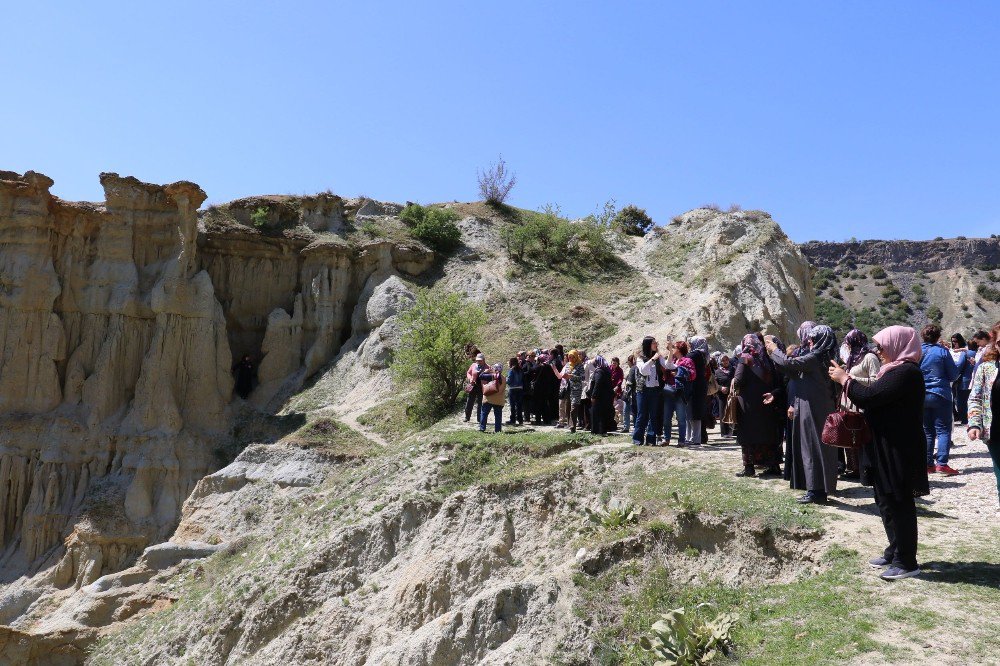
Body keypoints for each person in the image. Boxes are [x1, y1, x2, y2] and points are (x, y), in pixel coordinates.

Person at [829, 325, 928, 580]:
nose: (878, 351)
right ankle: (895, 550)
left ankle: (907, 561)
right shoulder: (893, 370)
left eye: (882, 346)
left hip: (898, 446)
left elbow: (870, 396)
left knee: (899, 501)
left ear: (897, 345)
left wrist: (844, 379)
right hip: (884, 443)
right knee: (885, 499)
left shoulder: (906, 372)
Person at [767, 325, 840, 504]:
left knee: (813, 446)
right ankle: (816, 488)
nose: (809, 341)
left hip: (813, 407)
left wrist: (775, 350)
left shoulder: (816, 357)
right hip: (816, 405)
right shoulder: (826, 356)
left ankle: (816, 491)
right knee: (817, 447)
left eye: (813, 339)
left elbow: (789, 364)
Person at [733, 334, 784, 477]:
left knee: (747, 435)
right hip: (767, 401)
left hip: (748, 404)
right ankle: (773, 465)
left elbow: (738, 379)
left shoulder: (745, 357)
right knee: (767, 433)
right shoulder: (765, 358)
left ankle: (749, 467)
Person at [919, 324, 960, 476]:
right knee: (943, 430)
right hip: (941, 393)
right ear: (938, 336)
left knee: (927, 431)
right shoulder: (943, 352)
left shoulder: (917, 352)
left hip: (922, 394)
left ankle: (927, 464)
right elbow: (953, 375)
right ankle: (942, 464)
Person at [967, 322, 1000, 510]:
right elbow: (976, 398)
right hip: (996, 433)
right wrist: (974, 424)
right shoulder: (986, 369)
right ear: (995, 343)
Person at [840, 328, 881, 479]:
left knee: (860, 439)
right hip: (848, 405)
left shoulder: (870, 357)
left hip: (861, 404)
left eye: (849, 343)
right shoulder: (852, 358)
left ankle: (864, 470)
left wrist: (851, 379)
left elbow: (876, 381)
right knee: (849, 438)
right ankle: (853, 469)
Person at [633, 336, 673, 447]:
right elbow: (644, 371)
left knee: (653, 415)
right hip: (643, 390)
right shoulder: (641, 358)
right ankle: (637, 439)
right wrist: (653, 359)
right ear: (648, 344)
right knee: (641, 415)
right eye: (654, 343)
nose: (656, 344)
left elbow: (668, 365)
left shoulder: (658, 357)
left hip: (654, 390)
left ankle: (651, 439)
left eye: (656, 342)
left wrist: (670, 351)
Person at [664, 341, 692, 446]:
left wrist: (678, 373)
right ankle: (666, 439)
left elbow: (692, 375)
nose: (673, 348)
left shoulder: (687, 361)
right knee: (666, 418)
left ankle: (681, 441)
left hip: (680, 393)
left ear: (679, 349)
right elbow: (666, 367)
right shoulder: (672, 359)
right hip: (668, 391)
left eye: (674, 347)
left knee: (681, 419)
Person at [686, 337, 711, 446]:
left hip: (695, 386)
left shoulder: (695, 354)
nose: (690, 345)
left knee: (694, 411)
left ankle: (695, 438)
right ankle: (697, 437)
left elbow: (684, 360)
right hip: (700, 385)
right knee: (696, 411)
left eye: (691, 343)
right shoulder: (703, 355)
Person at [949, 334, 975, 425]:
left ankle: (964, 419)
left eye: (955, 341)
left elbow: (959, 365)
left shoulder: (965, 353)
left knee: (961, 401)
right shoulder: (975, 353)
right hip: (972, 379)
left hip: (963, 380)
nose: (954, 343)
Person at [477, 363, 506, 432]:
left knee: (484, 413)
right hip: (499, 400)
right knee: (498, 416)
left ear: (495, 369)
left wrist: (485, 371)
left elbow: (481, 376)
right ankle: (498, 430)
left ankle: (482, 428)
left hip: (489, 399)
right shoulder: (504, 378)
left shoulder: (492, 376)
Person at [590, 355, 615, 434]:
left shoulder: (599, 371)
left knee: (597, 414)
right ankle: (603, 430)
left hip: (600, 397)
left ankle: (598, 431)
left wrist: (594, 396)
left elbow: (598, 384)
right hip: (606, 397)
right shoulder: (606, 370)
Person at [715, 355, 736, 438]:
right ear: (721, 361)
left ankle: (734, 431)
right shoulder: (717, 372)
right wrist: (721, 388)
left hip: (732, 394)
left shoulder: (733, 369)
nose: (725, 361)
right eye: (723, 360)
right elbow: (715, 384)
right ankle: (724, 432)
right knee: (723, 413)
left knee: (733, 411)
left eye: (727, 359)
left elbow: (737, 379)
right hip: (722, 395)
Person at [464, 352, 487, 422]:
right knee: (469, 402)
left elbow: (491, 376)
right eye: (477, 360)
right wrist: (470, 378)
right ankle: (467, 417)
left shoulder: (487, 367)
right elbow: (468, 373)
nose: (479, 361)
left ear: (484, 360)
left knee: (480, 403)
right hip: (473, 386)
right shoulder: (473, 365)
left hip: (482, 387)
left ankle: (479, 418)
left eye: (480, 360)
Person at [621, 355, 638, 433]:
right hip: (628, 393)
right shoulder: (631, 369)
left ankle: (632, 427)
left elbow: (630, 382)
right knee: (626, 410)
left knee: (632, 411)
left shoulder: (634, 369)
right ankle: (626, 427)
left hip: (631, 393)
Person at [506, 357, 524, 425]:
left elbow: (509, 381)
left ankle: (512, 419)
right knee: (519, 405)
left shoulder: (511, 370)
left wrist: (506, 380)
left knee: (512, 405)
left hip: (513, 389)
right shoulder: (520, 369)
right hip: (520, 388)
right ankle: (520, 419)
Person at [610, 357, 625, 426]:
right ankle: (614, 418)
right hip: (609, 389)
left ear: (618, 363)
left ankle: (619, 418)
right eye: (613, 363)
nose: (614, 365)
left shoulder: (620, 370)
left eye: (615, 363)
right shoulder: (609, 368)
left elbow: (620, 379)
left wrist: (617, 386)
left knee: (617, 404)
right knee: (611, 404)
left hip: (617, 390)